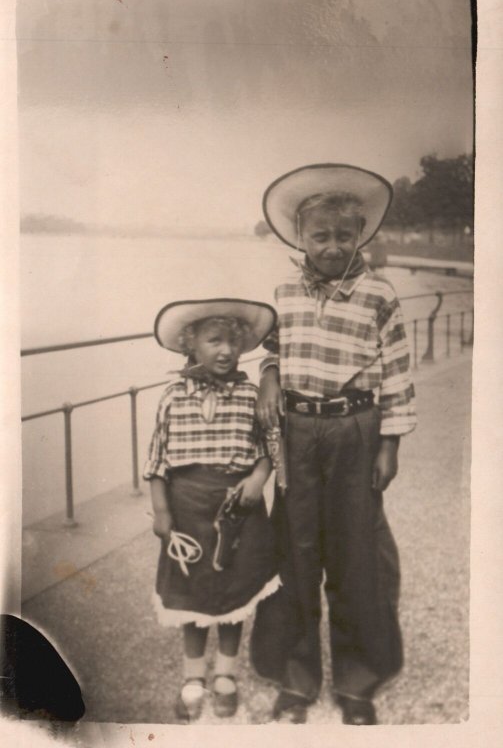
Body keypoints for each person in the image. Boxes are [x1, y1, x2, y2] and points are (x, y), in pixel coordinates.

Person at [251, 164, 417, 725]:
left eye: (344, 235)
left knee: (357, 556)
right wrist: (270, 376)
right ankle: (296, 682)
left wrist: (389, 444)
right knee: (295, 553)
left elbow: (395, 374)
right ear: (300, 237)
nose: (331, 246)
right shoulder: (283, 292)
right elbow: (273, 347)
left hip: (354, 431)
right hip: (297, 433)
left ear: (362, 234)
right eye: (319, 236)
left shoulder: (378, 295)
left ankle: (357, 682)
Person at [143, 298, 279, 723]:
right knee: (192, 593)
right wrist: (162, 512)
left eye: (232, 342)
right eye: (212, 340)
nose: (224, 351)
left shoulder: (250, 396)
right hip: (187, 509)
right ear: (191, 344)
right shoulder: (172, 397)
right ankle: (192, 677)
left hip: (238, 508)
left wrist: (258, 479)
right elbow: (156, 463)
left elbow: (268, 449)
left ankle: (225, 675)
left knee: (233, 593)